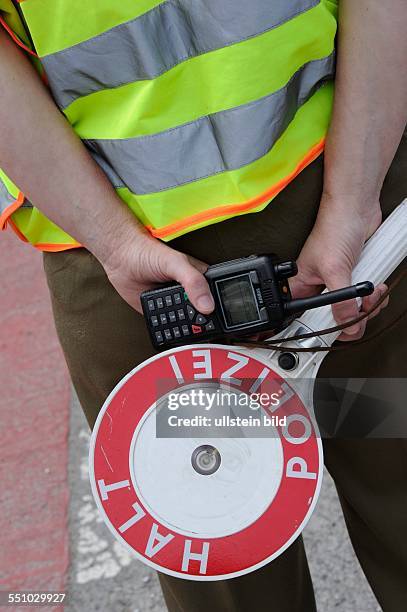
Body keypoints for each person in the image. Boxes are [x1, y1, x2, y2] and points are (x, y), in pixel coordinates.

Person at [0, 1, 406, 610]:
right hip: (332, 192)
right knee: (389, 472)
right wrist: (351, 202)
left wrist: (112, 242)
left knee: (226, 533)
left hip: (138, 267)